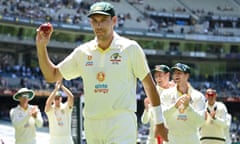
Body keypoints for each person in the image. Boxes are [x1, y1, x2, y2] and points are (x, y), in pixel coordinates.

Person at [35, 1, 168, 144]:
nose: (99, 26)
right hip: (92, 124)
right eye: (95, 21)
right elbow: (52, 75)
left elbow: (149, 85)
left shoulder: (130, 48)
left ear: (114, 21)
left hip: (121, 122)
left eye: (104, 20)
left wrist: (159, 121)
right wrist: (41, 47)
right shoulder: (83, 52)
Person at [160, 63, 206, 144]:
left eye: (179, 73)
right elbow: (162, 115)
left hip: (191, 138)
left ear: (187, 76)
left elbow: (200, 121)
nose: (176, 75)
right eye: (174, 73)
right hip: (171, 138)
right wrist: (175, 106)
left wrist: (188, 108)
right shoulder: (166, 94)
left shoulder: (198, 96)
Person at [141, 65, 173, 144]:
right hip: (153, 140)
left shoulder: (175, 92)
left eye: (160, 75)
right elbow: (144, 121)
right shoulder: (152, 93)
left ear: (167, 75)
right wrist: (146, 109)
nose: (158, 78)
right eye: (156, 76)